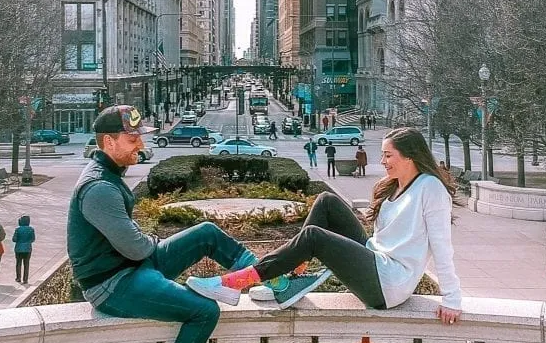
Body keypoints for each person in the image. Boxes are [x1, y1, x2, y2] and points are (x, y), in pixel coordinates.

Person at [67, 105, 258, 343]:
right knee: (202, 310)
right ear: (108, 142)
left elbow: (135, 246)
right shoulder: (99, 188)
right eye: (132, 139)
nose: (139, 144)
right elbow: (134, 246)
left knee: (207, 233)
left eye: (139, 137)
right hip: (113, 284)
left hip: (132, 266)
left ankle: (264, 277)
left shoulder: (109, 177)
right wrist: (150, 246)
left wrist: (149, 246)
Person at [187, 127, 462, 324]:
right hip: (377, 260)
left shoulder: (430, 188)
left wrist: (452, 298)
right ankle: (289, 280)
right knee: (326, 201)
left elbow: (442, 247)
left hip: (389, 282)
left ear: (409, 157)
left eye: (388, 155)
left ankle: (234, 283)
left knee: (313, 237)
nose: (382, 161)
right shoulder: (395, 187)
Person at [12, 214, 36, 285]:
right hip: (28, 249)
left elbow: (14, 239)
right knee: (26, 264)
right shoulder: (31, 229)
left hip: (18, 249)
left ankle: (18, 277)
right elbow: (33, 239)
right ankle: (25, 279)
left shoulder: (17, 229)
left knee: (18, 263)